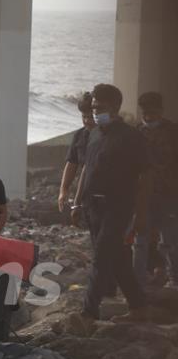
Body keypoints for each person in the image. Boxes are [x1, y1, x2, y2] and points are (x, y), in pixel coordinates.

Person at [73, 83, 150, 322]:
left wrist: (142, 212)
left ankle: (88, 313)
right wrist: (76, 203)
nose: (96, 111)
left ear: (116, 106)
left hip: (118, 205)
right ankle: (138, 305)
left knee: (102, 256)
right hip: (92, 205)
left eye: (101, 107)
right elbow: (86, 169)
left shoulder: (131, 137)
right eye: (94, 107)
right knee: (116, 257)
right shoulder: (93, 134)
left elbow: (146, 176)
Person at [133, 91, 178, 288]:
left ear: (161, 110)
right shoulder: (135, 133)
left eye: (152, 113)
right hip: (143, 196)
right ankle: (137, 283)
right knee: (140, 241)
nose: (149, 117)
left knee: (169, 241)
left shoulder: (173, 132)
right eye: (145, 113)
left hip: (169, 194)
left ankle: (174, 280)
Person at [59, 92, 96, 213]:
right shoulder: (80, 135)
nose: (87, 121)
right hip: (86, 190)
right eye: (83, 117)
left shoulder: (106, 136)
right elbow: (71, 163)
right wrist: (63, 190)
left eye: (90, 117)